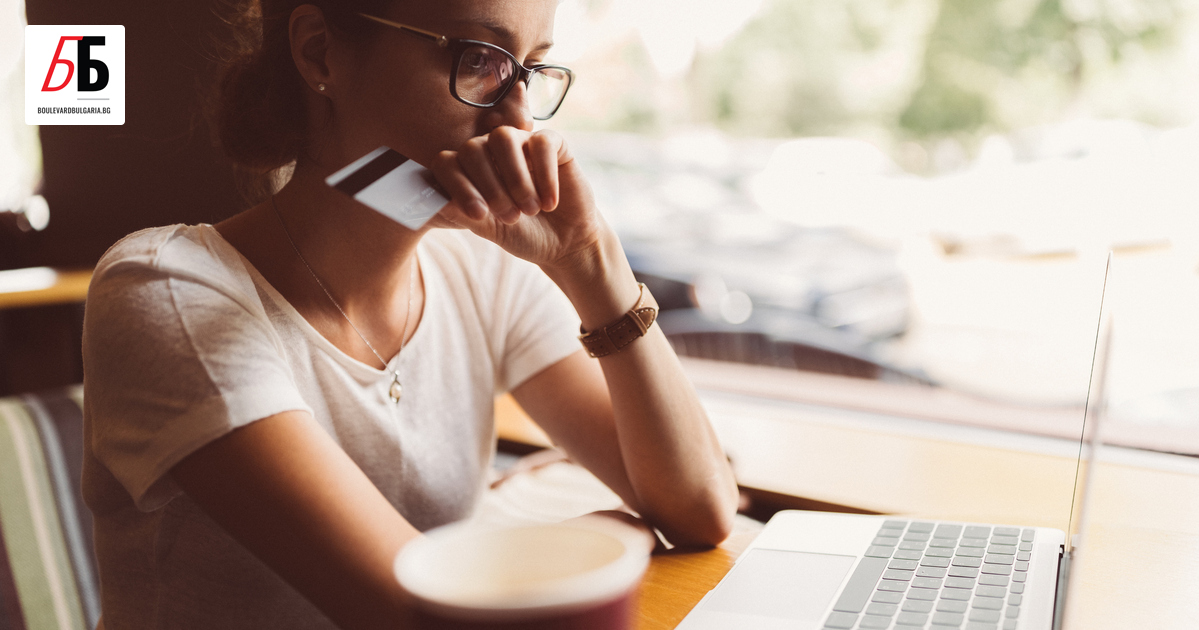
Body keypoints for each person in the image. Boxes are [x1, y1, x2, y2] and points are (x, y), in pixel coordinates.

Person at [80, 1, 739, 628]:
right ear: (320, 53)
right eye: (480, 59)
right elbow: (425, 616)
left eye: (530, 71)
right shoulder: (169, 294)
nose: (517, 125)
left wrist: (590, 262)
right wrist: (608, 534)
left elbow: (702, 508)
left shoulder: (482, 271)